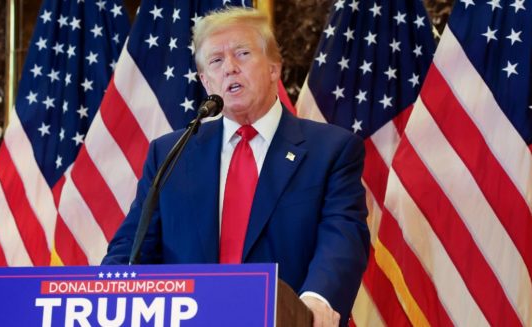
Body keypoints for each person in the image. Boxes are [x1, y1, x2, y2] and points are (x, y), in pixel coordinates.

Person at [102, 7, 370, 327]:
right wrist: (104, 294)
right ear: (205, 81)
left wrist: (316, 299)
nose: (229, 68)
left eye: (242, 53)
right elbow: (133, 245)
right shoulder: (171, 153)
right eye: (216, 61)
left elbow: (342, 237)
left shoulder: (331, 151)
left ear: (273, 67)